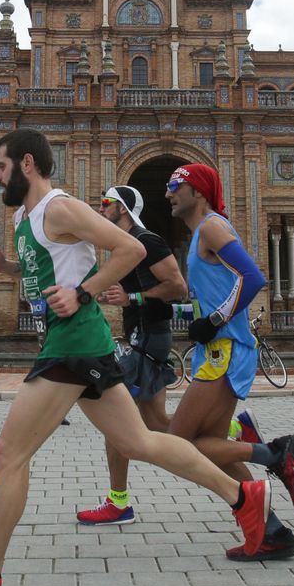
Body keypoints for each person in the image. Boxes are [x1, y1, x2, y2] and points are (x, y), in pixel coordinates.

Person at [0, 129, 270, 586]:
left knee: (10, 452)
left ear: (26, 164)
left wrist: (84, 293)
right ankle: (244, 497)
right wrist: (6, 270)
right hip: (79, 341)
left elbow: (132, 250)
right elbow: (53, 267)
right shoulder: (26, 216)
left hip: (74, 341)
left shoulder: (60, 206)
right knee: (138, 442)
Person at [166, 161, 294, 561]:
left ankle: (274, 454)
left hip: (225, 349)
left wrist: (214, 320)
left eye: (177, 185)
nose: (169, 192)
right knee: (209, 448)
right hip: (219, 349)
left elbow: (253, 278)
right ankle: (272, 531)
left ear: (200, 191)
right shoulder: (198, 234)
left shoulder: (212, 226)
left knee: (179, 443)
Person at [77, 184, 189, 525]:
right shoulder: (124, 247)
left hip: (149, 337)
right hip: (142, 336)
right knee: (156, 421)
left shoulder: (148, 241)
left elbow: (178, 287)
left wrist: (133, 300)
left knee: (115, 419)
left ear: (123, 208)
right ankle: (233, 431)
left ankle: (118, 501)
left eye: (106, 202)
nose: (101, 208)